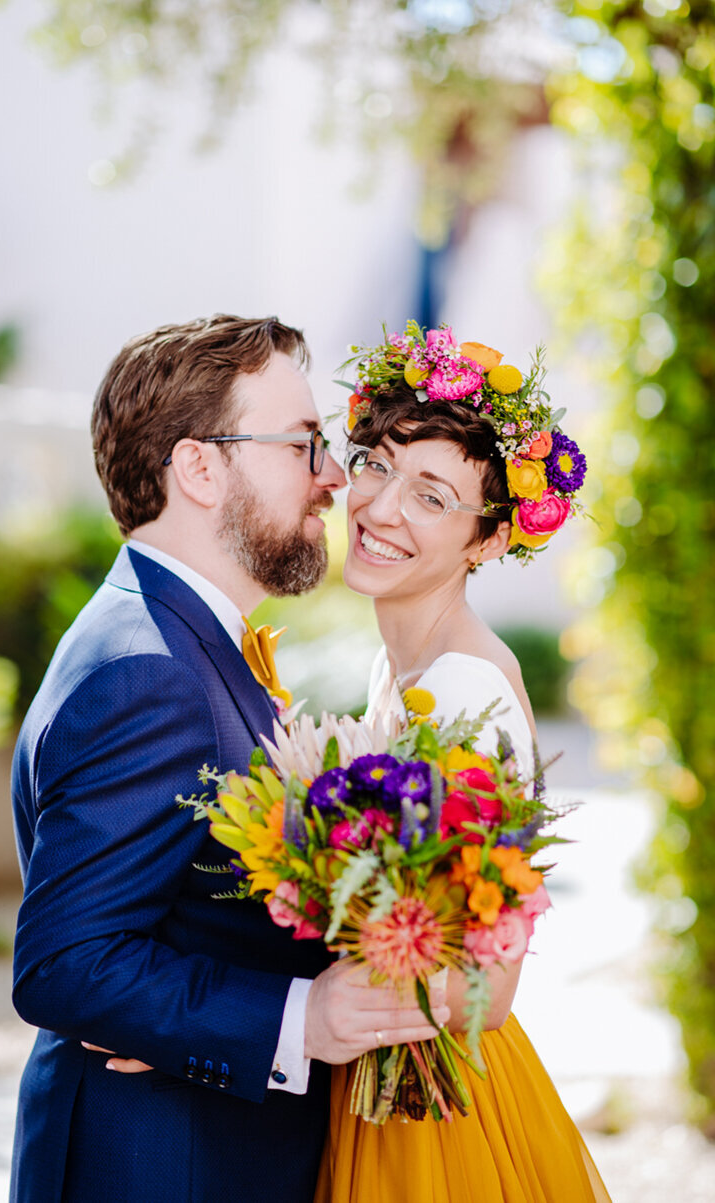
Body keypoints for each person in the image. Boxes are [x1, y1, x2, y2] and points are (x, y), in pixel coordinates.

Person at [8, 315, 449, 1203]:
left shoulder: (179, 636)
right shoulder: (150, 668)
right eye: (303, 445)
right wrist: (299, 1018)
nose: (333, 478)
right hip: (158, 1164)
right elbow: (65, 962)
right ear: (200, 466)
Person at [314, 323, 610, 1202]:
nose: (381, 507)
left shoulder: (462, 694)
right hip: (378, 1064)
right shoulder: (398, 667)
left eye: (433, 496)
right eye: (376, 463)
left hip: (432, 1113)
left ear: (486, 541)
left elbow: (487, 983)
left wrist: (295, 1020)